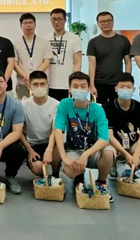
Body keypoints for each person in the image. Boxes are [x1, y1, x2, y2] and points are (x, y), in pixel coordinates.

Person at [54, 72, 115, 201]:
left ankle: (101, 183)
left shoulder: (98, 109)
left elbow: (104, 139)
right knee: (70, 171)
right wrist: (64, 157)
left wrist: (86, 154)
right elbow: (58, 130)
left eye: (83, 86)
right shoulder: (64, 104)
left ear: (88, 89)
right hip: (73, 149)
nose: (79, 89)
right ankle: (79, 176)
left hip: (93, 151)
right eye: (75, 86)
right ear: (69, 89)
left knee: (109, 153)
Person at [103, 73, 140, 179]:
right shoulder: (107, 107)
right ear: (116, 89)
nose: (125, 90)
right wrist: (125, 154)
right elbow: (109, 135)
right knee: (109, 152)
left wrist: (136, 155)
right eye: (122, 87)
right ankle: (112, 165)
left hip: (132, 142)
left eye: (128, 87)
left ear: (133, 89)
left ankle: (136, 165)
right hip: (115, 144)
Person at [20, 71, 61, 177]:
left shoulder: (56, 105)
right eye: (35, 84)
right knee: (38, 168)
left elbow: (55, 130)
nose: (39, 87)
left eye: (42, 84)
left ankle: (55, 175)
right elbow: (19, 132)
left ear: (47, 85)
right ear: (29, 86)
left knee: (58, 145)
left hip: (50, 142)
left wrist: (49, 149)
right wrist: (29, 150)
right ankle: (42, 172)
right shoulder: (23, 105)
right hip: (32, 144)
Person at [87, 12, 131, 106]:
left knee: (117, 109)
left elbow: (128, 62)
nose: (106, 23)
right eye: (102, 22)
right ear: (98, 24)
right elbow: (92, 65)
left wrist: (127, 82)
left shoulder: (123, 40)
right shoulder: (93, 42)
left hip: (118, 83)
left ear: (113, 22)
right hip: (99, 83)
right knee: (98, 110)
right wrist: (91, 85)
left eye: (108, 21)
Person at [44, 9, 82, 101]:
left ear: (65, 20)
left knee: (67, 108)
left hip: (67, 84)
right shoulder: (45, 39)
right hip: (50, 83)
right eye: (53, 19)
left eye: (59, 19)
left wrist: (74, 82)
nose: (56, 22)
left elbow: (78, 62)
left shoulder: (74, 38)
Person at [13, 13, 52, 100]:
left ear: (35, 25)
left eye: (31, 22)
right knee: (23, 106)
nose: (28, 25)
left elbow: (46, 62)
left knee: (41, 105)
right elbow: (15, 64)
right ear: (21, 25)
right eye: (25, 23)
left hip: (40, 83)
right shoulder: (16, 42)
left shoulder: (44, 42)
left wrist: (34, 77)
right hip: (22, 83)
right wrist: (26, 77)